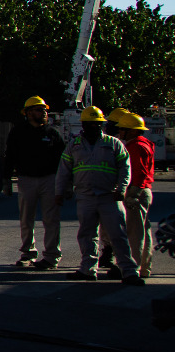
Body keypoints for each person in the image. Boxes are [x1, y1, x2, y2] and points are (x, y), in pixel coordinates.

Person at [57, 106, 138, 285]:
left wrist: (122, 189)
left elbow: (126, 168)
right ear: (84, 125)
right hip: (85, 197)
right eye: (91, 124)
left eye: (97, 124)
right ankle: (87, 269)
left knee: (118, 235)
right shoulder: (74, 145)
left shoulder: (114, 144)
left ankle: (129, 271)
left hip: (110, 196)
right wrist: (60, 192)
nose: (94, 127)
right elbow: (64, 170)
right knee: (87, 235)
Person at [6, 95, 65, 269]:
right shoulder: (18, 132)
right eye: (40, 110)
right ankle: (28, 253)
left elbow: (64, 161)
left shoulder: (53, 134)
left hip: (49, 180)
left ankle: (52, 255)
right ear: (29, 113)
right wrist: (6, 180)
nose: (44, 113)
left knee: (51, 219)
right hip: (26, 179)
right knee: (26, 218)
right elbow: (10, 156)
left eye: (45, 110)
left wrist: (65, 184)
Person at [110, 110, 156, 280]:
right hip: (142, 191)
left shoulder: (135, 146)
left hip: (136, 192)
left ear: (133, 130)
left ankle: (133, 268)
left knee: (134, 233)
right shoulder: (144, 144)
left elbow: (139, 172)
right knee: (143, 231)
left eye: (123, 129)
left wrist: (133, 193)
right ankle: (144, 267)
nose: (120, 132)